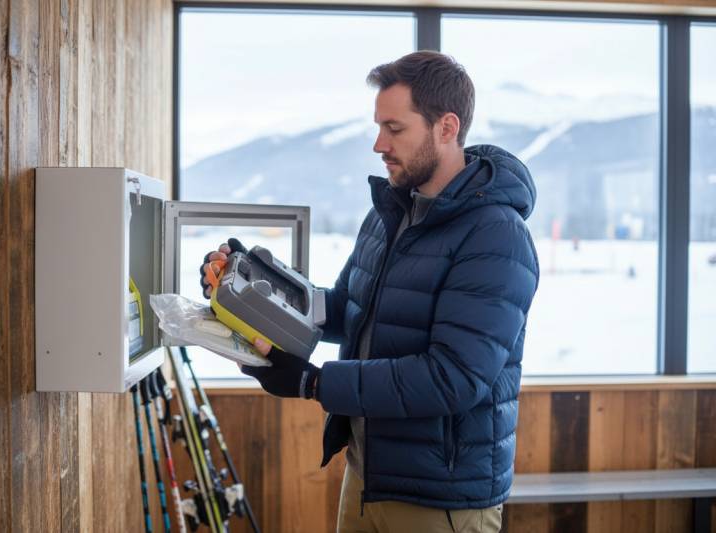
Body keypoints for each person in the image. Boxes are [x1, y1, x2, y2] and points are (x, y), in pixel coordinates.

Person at [200, 51, 539, 533]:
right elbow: (347, 309)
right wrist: (254, 285)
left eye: (395, 129)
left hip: (439, 501)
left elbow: (454, 378)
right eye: (379, 126)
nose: (379, 144)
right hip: (367, 476)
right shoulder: (392, 215)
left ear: (446, 127)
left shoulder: (495, 235)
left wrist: (315, 383)